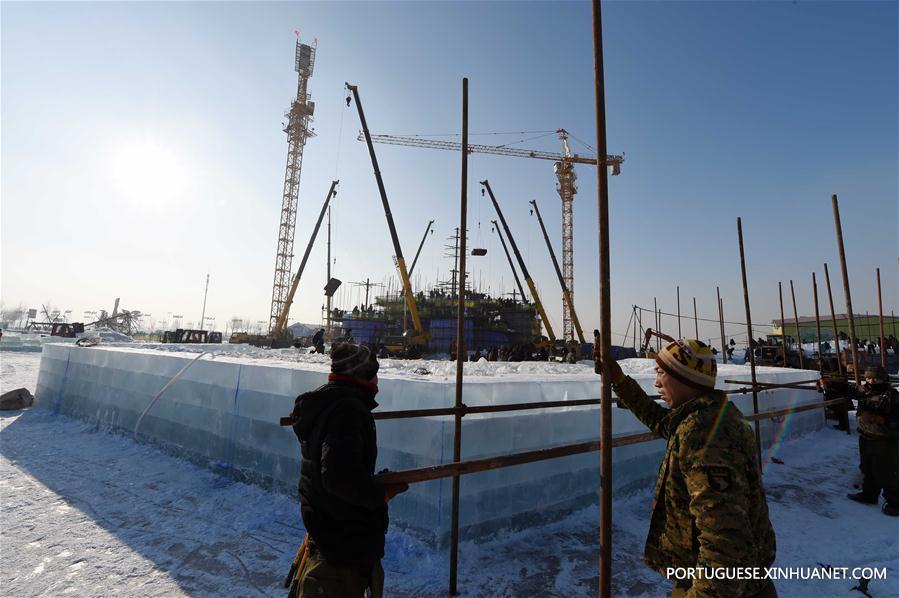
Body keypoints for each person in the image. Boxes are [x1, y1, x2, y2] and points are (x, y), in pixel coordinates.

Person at [597, 339, 777, 597]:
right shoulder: (706, 415)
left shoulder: (705, 437)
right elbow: (663, 423)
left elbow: (724, 542)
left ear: (685, 379)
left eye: (662, 373)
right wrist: (620, 381)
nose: (657, 383)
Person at [286, 342, 408, 596]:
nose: (377, 382)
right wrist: (379, 494)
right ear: (360, 375)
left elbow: (334, 468)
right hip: (341, 551)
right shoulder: (348, 410)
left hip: (328, 537)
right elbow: (337, 477)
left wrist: (370, 482)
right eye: (374, 374)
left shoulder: (326, 402)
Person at [848, 365, 899, 516]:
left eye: (876, 378)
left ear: (883, 379)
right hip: (866, 437)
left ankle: (895, 503)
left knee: (887, 472)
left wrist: (884, 420)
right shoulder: (864, 391)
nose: (872, 381)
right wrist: (829, 384)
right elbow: (847, 391)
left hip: (885, 440)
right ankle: (869, 495)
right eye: (869, 377)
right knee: (867, 469)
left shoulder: (892, 396)